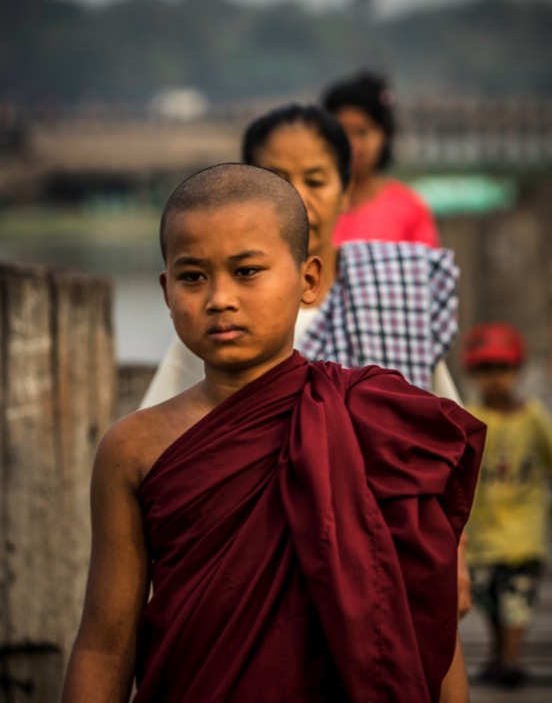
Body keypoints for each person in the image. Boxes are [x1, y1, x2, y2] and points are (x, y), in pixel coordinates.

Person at [62, 164, 485, 703]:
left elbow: (421, 612)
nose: (219, 299)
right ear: (167, 291)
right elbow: (104, 644)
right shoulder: (134, 447)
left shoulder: (370, 418)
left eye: (247, 271)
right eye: (193, 277)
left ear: (309, 280)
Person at [142, 104, 458, 408]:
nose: (298, 198)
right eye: (277, 181)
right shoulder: (221, 321)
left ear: (345, 190)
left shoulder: (398, 295)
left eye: (316, 181)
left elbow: (440, 428)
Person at [462, 322, 552, 688]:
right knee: (487, 598)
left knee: (517, 598)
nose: (494, 379)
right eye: (485, 370)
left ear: (517, 370)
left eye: (502, 369)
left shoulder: (533, 416)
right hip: (482, 532)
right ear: (473, 374)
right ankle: (500, 652)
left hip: (523, 530)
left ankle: (511, 657)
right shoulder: (468, 416)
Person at [321, 70, 440, 247]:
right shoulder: (315, 206)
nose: (352, 145)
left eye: (362, 132)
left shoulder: (409, 209)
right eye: (342, 132)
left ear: (385, 135)